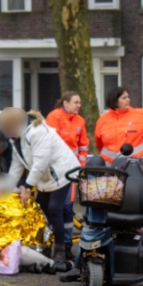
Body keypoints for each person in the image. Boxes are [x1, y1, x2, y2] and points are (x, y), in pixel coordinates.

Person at [0, 107, 80, 272]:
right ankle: (53, 242)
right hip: (45, 177)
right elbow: (17, 165)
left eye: (8, 129)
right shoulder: (16, 139)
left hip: (62, 173)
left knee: (55, 208)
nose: (7, 133)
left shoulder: (37, 132)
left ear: (15, 125)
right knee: (43, 208)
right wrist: (7, 187)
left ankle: (60, 249)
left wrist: (27, 187)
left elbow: (41, 162)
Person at [45, 91, 88, 258]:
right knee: (54, 209)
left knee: (67, 209)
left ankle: (66, 246)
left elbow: (83, 146)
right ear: (66, 103)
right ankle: (54, 243)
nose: (79, 105)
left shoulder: (80, 121)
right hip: (55, 172)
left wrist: (80, 167)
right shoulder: (54, 117)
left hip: (71, 172)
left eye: (80, 102)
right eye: (76, 102)